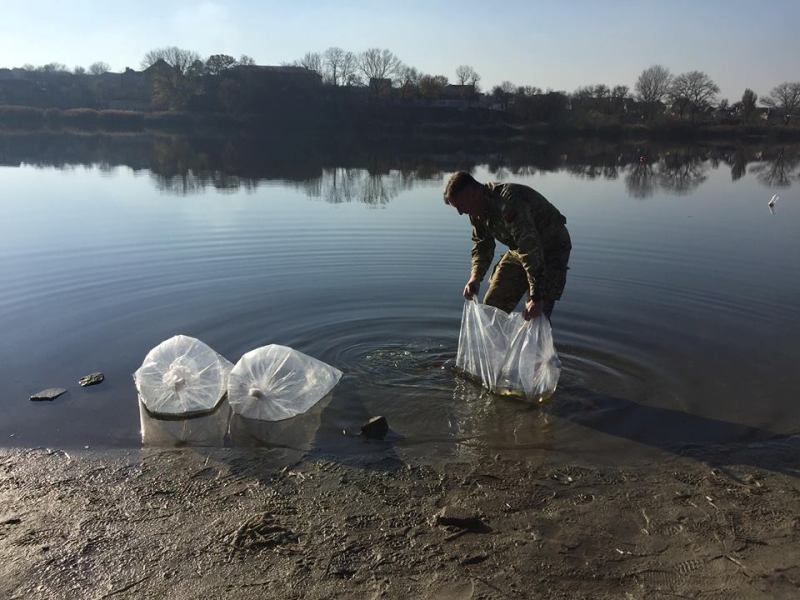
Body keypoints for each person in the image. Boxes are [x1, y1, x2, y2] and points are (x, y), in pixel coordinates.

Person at [444, 171, 571, 320]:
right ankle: (498, 343)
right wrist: (475, 278)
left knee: (536, 316)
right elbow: (482, 244)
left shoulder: (509, 201)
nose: (460, 212)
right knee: (491, 309)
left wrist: (537, 296)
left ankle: (536, 338)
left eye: (460, 205)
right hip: (520, 249)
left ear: (473, 193)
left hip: (551, 251)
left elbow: (529, 247)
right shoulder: (476, 210)